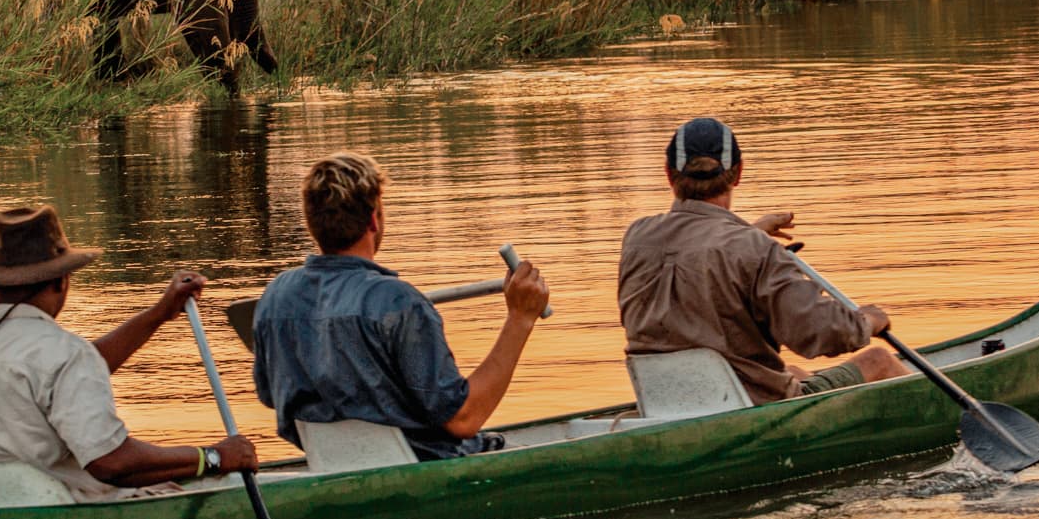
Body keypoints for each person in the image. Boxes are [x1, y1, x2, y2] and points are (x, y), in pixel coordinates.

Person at [0, 203, 257, 500]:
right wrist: (213, 457)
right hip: (76, 509)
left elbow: (66, 377)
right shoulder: (62, 353)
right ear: (61, 281)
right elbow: (112, 463)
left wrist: (159, 314)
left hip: (2, 508)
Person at [251, 152, 552, 461]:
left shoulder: (277, 295)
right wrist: (520, 317)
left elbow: (270, 396)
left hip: (329, 463)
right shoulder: (398, 303)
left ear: (311, 221)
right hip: (424, 466)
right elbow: (463, 419)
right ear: (373, 219)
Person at [617, 117, 909, 404]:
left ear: (669, 174)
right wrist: (868, 321)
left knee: (791, 371)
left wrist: (750, 233)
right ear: (738, 172)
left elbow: (701, 253)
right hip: (748, 404)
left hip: (666, 401)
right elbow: (817, 332)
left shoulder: (637, 237)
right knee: (879, 359)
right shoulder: (752, 248)